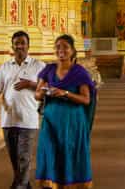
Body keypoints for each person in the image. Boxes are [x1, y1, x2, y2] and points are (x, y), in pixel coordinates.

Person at [0, 31, 46, 189]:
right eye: (16, 43)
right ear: (12, 46)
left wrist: (30, 84)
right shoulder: (5, 66)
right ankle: (23, 184)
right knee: (15, 160)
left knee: (24, 159)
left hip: (28, 120)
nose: (19, 46)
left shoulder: (39, 66)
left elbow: (48, 88)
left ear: (28, 45)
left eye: (22, 43)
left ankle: (19, 185)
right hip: (8, 119)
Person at [35, 34, 96, 189]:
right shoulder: (48, 70)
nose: (61, 50)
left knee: (70, 153)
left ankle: (71, 184)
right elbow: (37, 94)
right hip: (51, 122)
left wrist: (65, 93)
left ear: (72, 51)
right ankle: (52, 183)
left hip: (73, 122)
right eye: (58, 47)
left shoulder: (79, 72)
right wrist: (43, 92)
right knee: (50, 151)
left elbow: (86, 99)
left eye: (65, 47)